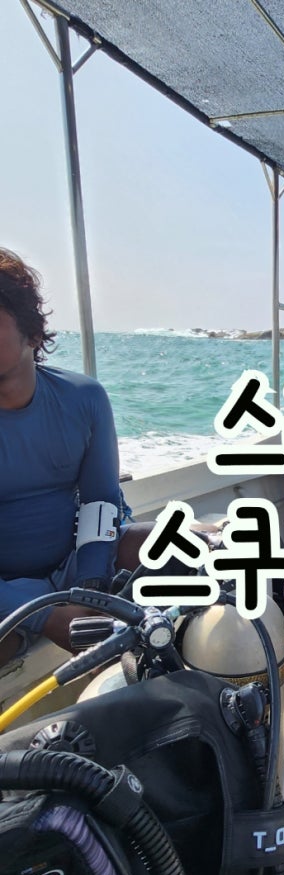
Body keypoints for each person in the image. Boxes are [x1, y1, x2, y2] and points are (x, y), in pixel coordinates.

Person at [0, 247, 151, 667]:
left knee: (175, 546)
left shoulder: (84, 399)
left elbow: (100, 502)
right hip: (5, 591)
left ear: (32, 334)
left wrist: (89, 589)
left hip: (73, 566)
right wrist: (45, 614)